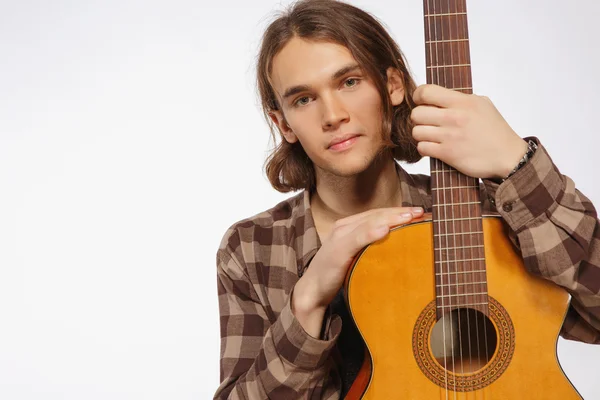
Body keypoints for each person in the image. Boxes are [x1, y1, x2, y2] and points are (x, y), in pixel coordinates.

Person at [213, 0, 600, 398]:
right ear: (284, 124)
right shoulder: (252, 248)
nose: (333, 115)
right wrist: (308, 297)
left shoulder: (490, 216)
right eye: (303, 99)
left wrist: (518, 164)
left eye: (349, 82)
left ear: (393, 85)